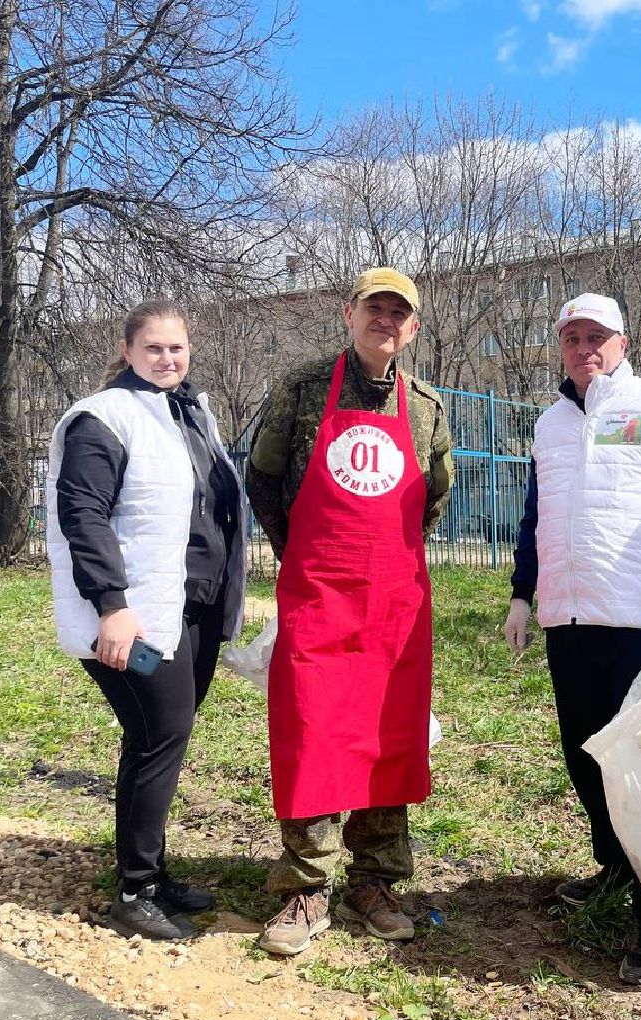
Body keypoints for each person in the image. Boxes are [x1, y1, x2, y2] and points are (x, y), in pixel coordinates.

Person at [503, 291, 641, 985]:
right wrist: (520, 592)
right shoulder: (549, 425)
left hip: (635, 618)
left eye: (597, 337)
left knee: (640, 769)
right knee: (583, 755)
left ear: (622, 343)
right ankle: (616, 868)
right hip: (568, 617)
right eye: (572, 338)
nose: (584, 349)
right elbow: (538, 512)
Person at [246, 267, 453, 957]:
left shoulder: (425, 407)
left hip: (393, 606)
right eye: (375, 308)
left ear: (412, 327)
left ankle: (376, 882)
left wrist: (386, 564)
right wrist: (300, 552)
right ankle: (305, 887)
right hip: (318, 595)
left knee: (387, 735)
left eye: (399, 313)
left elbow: (433, 498)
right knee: (311, 730)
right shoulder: (302, 389)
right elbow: (264, 477)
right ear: (350, 314)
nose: (385, 321)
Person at [47, 299, 247, 941]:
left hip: (192, 611)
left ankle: (152, 876)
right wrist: (112, 606)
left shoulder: (190, 413)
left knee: (163, 738)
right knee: (158, 736)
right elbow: (84, 516)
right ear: (129, 351)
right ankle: (135, 892)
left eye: (177, 348)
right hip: (134, 618)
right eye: (154, 348)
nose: (168, 358)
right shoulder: (102, 419)